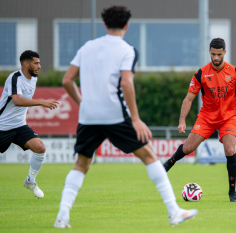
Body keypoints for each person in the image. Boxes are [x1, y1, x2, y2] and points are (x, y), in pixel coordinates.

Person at [54, 5, 197, 228]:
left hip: (88, 116)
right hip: (114, 114)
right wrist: (136, 119)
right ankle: (174, 212)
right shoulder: (127, 50)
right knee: (149, 155)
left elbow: (66, 80)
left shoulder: (87, 47)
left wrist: (83, 103)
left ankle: (62, 216)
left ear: (104, 25)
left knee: (81, 164)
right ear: (127, 26)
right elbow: (126, 82)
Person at [162, 38, 236, 202]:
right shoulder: (201, 73)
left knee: (230, 150)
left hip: (228, 117)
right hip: (207, 116)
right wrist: (182, 121)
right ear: (209, 52)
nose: (216, 58)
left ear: (225, 52)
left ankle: (232, 193)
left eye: (219, 54)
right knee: (188, 148)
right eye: (213, 54)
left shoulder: (235, 73)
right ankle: (168, 164)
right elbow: (188, 99)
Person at [0, 50, 59, 198]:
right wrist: (42, 102)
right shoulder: (15, 78)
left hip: (19, 126)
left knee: (40, 148)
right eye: (36, 63)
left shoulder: (34, 78)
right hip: (2, 126)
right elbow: (18, 100)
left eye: (39, 63)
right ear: (26, 64)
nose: (39, 66)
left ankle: (30, 181)